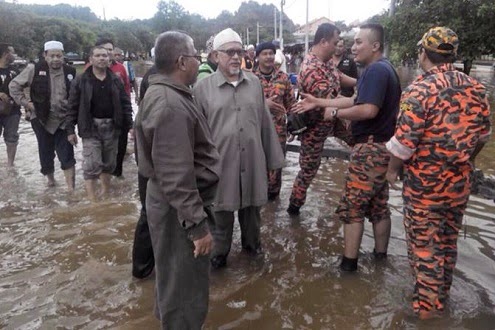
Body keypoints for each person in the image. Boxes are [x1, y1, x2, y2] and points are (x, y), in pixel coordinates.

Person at [385, 27, 491, 319]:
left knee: (424, 250)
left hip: (424, 189)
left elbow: (404, 144)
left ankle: (427, 316)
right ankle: (439, 300)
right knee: (446, 245)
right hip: (459, 186)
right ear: (453, 54)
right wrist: (461, 161)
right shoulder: (476, 88)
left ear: (423, 52)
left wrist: (392, 172)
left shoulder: (420, 90)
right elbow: (482, 138)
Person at [291, 23, 401, 272]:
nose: (351, 47)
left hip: (370, 148)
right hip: (383, 146)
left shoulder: (374, 71)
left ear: (375, 46)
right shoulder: (383, 69)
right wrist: (319, 102)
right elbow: (354, 98)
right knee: (379, 206)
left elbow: (367, 109)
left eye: (358, 42)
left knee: (352, 209)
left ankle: (348, 269)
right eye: (349, 42)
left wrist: (335, 112)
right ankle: (380, 260)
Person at [135, 31, 220, 328]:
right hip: (177, 210)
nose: (198, 61)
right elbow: (176, 176)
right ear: (182, 61)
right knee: (183, 287)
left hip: (171, 204)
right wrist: (197, 227)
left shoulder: (168, 94)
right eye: (196, 56)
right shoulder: (170, 104)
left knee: (173, 279)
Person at [193, 28, 284, 269]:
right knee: (220, 218)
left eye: (239, 52)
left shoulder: (253, 83)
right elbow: (196, 135)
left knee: (253, 216)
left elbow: (264, 122)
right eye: (229, 52)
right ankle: (218, 259)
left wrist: (274, 162)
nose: (235, 57)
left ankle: (252, 256)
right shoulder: (202, 89)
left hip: (253, 163)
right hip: (221, 166)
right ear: (215, 56)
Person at [287, 23, 356, 215]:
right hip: (315, 126)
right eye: (335, 43)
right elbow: (329, 105)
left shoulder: (326, 61)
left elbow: (339, 76)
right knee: (308, 170)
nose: (337, 47)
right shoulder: (311, 68)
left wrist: (362, 83)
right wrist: (361, 101)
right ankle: (294, 207)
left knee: (358, 141)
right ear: (324, 42)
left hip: (334, 120)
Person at [65, 46, 133, 201]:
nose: (102, 58)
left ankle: (106, 193)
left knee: (109, 163)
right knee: (92, 164)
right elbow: (72, 106)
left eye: (105, 56)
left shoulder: (115, 79)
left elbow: (125, 104)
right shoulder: (81, 80)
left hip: (112, 126)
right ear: (91, 59)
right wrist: (70, 130)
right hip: (90, 127)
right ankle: (93, 201)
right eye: (98, 56)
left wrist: (130, 126)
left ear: (109, 59)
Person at [9, 41, 76, 190]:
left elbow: (76, 95)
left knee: (67, 154)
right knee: (45, 151)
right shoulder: (34, 69)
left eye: (59, 55)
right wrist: (27, 104)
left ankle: (71, 189)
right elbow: (14, 86)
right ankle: (51, 181)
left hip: (63, 120)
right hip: (40, 119)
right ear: (45, 55)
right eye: (52, 56)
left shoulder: (70, 71)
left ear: (63, 55)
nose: (56, 59)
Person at [253, 41, 296, 200]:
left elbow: (291, 104)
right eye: (264, 53)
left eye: (271, 53)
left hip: (278, 132)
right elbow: (241, 104)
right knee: (257, 166)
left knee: (276, 168)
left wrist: (293, 126)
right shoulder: (250, 78)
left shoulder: (283, 78)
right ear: (257, 57)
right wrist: (264, 104)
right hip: (255, 131)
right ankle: (258, 201)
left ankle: (273, 206)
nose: (269, 56)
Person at [94, 38, 131, 178]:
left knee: (120, 147)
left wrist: (128, 117)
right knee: (99, 151)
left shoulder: (120, 68)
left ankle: (117, 177)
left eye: (110, 49)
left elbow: (126, 90)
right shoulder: (89, 69)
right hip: (98, 119)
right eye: (105, 49)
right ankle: (102, 180)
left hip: (119, 116)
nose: (108, 52)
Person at [0, 43, 20, 167]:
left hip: (13, 110)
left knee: (12, 137)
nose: (14, 55)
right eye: (12, 52)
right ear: (5, 54)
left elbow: (22, 88)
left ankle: (10, 165)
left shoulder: (15, 71)